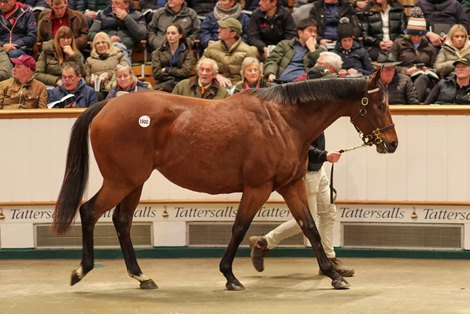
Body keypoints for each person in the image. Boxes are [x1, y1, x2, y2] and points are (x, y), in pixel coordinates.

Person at [249, 132, 355, 277]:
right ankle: (264, 243)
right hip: (305, 174)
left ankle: (329, 260)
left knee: (328, 213)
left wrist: (322, 158)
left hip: (318, 169)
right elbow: (300, 144)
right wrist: (324, 156)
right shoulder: (302, 112)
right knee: (306, 221)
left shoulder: (317, 112)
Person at [390, 9, 437, 102]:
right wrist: (406, 71)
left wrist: (428, 70)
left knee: (423, 78)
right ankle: (414, 106)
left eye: (419, 36)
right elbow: (390, 65)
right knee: (427, 92)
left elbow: (434, 66)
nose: (416, 38)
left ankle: (412, 105)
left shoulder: (429, 47)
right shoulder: (398, 44)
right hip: (404, 77)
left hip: (424, 77)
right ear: (408, 34)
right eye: (413, 35)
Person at [264, 19, 326, 83]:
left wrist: (313, 50)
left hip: (304, 85)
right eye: (310, 31)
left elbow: (325, 70)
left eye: (315, 32)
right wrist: (271, 73)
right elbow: (272, 60)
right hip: (281, 82)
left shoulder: (320, 50)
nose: (313, 34)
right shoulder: (284, 45)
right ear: (300, 33)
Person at [202, 17, 258, 87]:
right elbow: (200, 65)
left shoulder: (248, 51)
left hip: (238, 87)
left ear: (233, 34)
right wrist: (216, 75)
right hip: (215, 83)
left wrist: (237, 86)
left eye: (222, 28)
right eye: (219, 28)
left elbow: (252, 75)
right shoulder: (212, 47)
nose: (218, 30)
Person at [84, 32, 128, 98]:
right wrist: (90, 80)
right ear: (94, 46)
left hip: (115, 88)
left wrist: (109, 74)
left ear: (108, 43)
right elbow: (85, 78)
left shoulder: (119, 55)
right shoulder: (89, 60)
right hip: (97, 91)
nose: (101, 45)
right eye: (98, 43)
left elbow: (125, 70)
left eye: (103, 42)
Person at [152, 23, 194, 92]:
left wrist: (168, 69)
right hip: (162, 85)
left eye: (173, 33)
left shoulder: (187, 52)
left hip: (181, 85)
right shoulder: (158, 52)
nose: (170, 36)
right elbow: (156, 73)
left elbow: (185, 72)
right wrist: (175, 75)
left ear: (180, 35)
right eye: (168, 33)